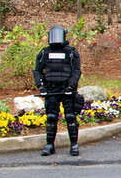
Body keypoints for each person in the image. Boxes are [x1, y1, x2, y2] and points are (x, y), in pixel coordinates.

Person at [33, 25, 82, 156]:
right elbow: (37, 71)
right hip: (51, 89)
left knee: (71, 117)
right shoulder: (44, 53)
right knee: (51, 118)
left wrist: (71, 86)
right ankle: (49, 144)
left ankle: (74, 145)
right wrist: (41, 86)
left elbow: (76, 71)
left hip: (67, 89)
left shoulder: (71, 53)